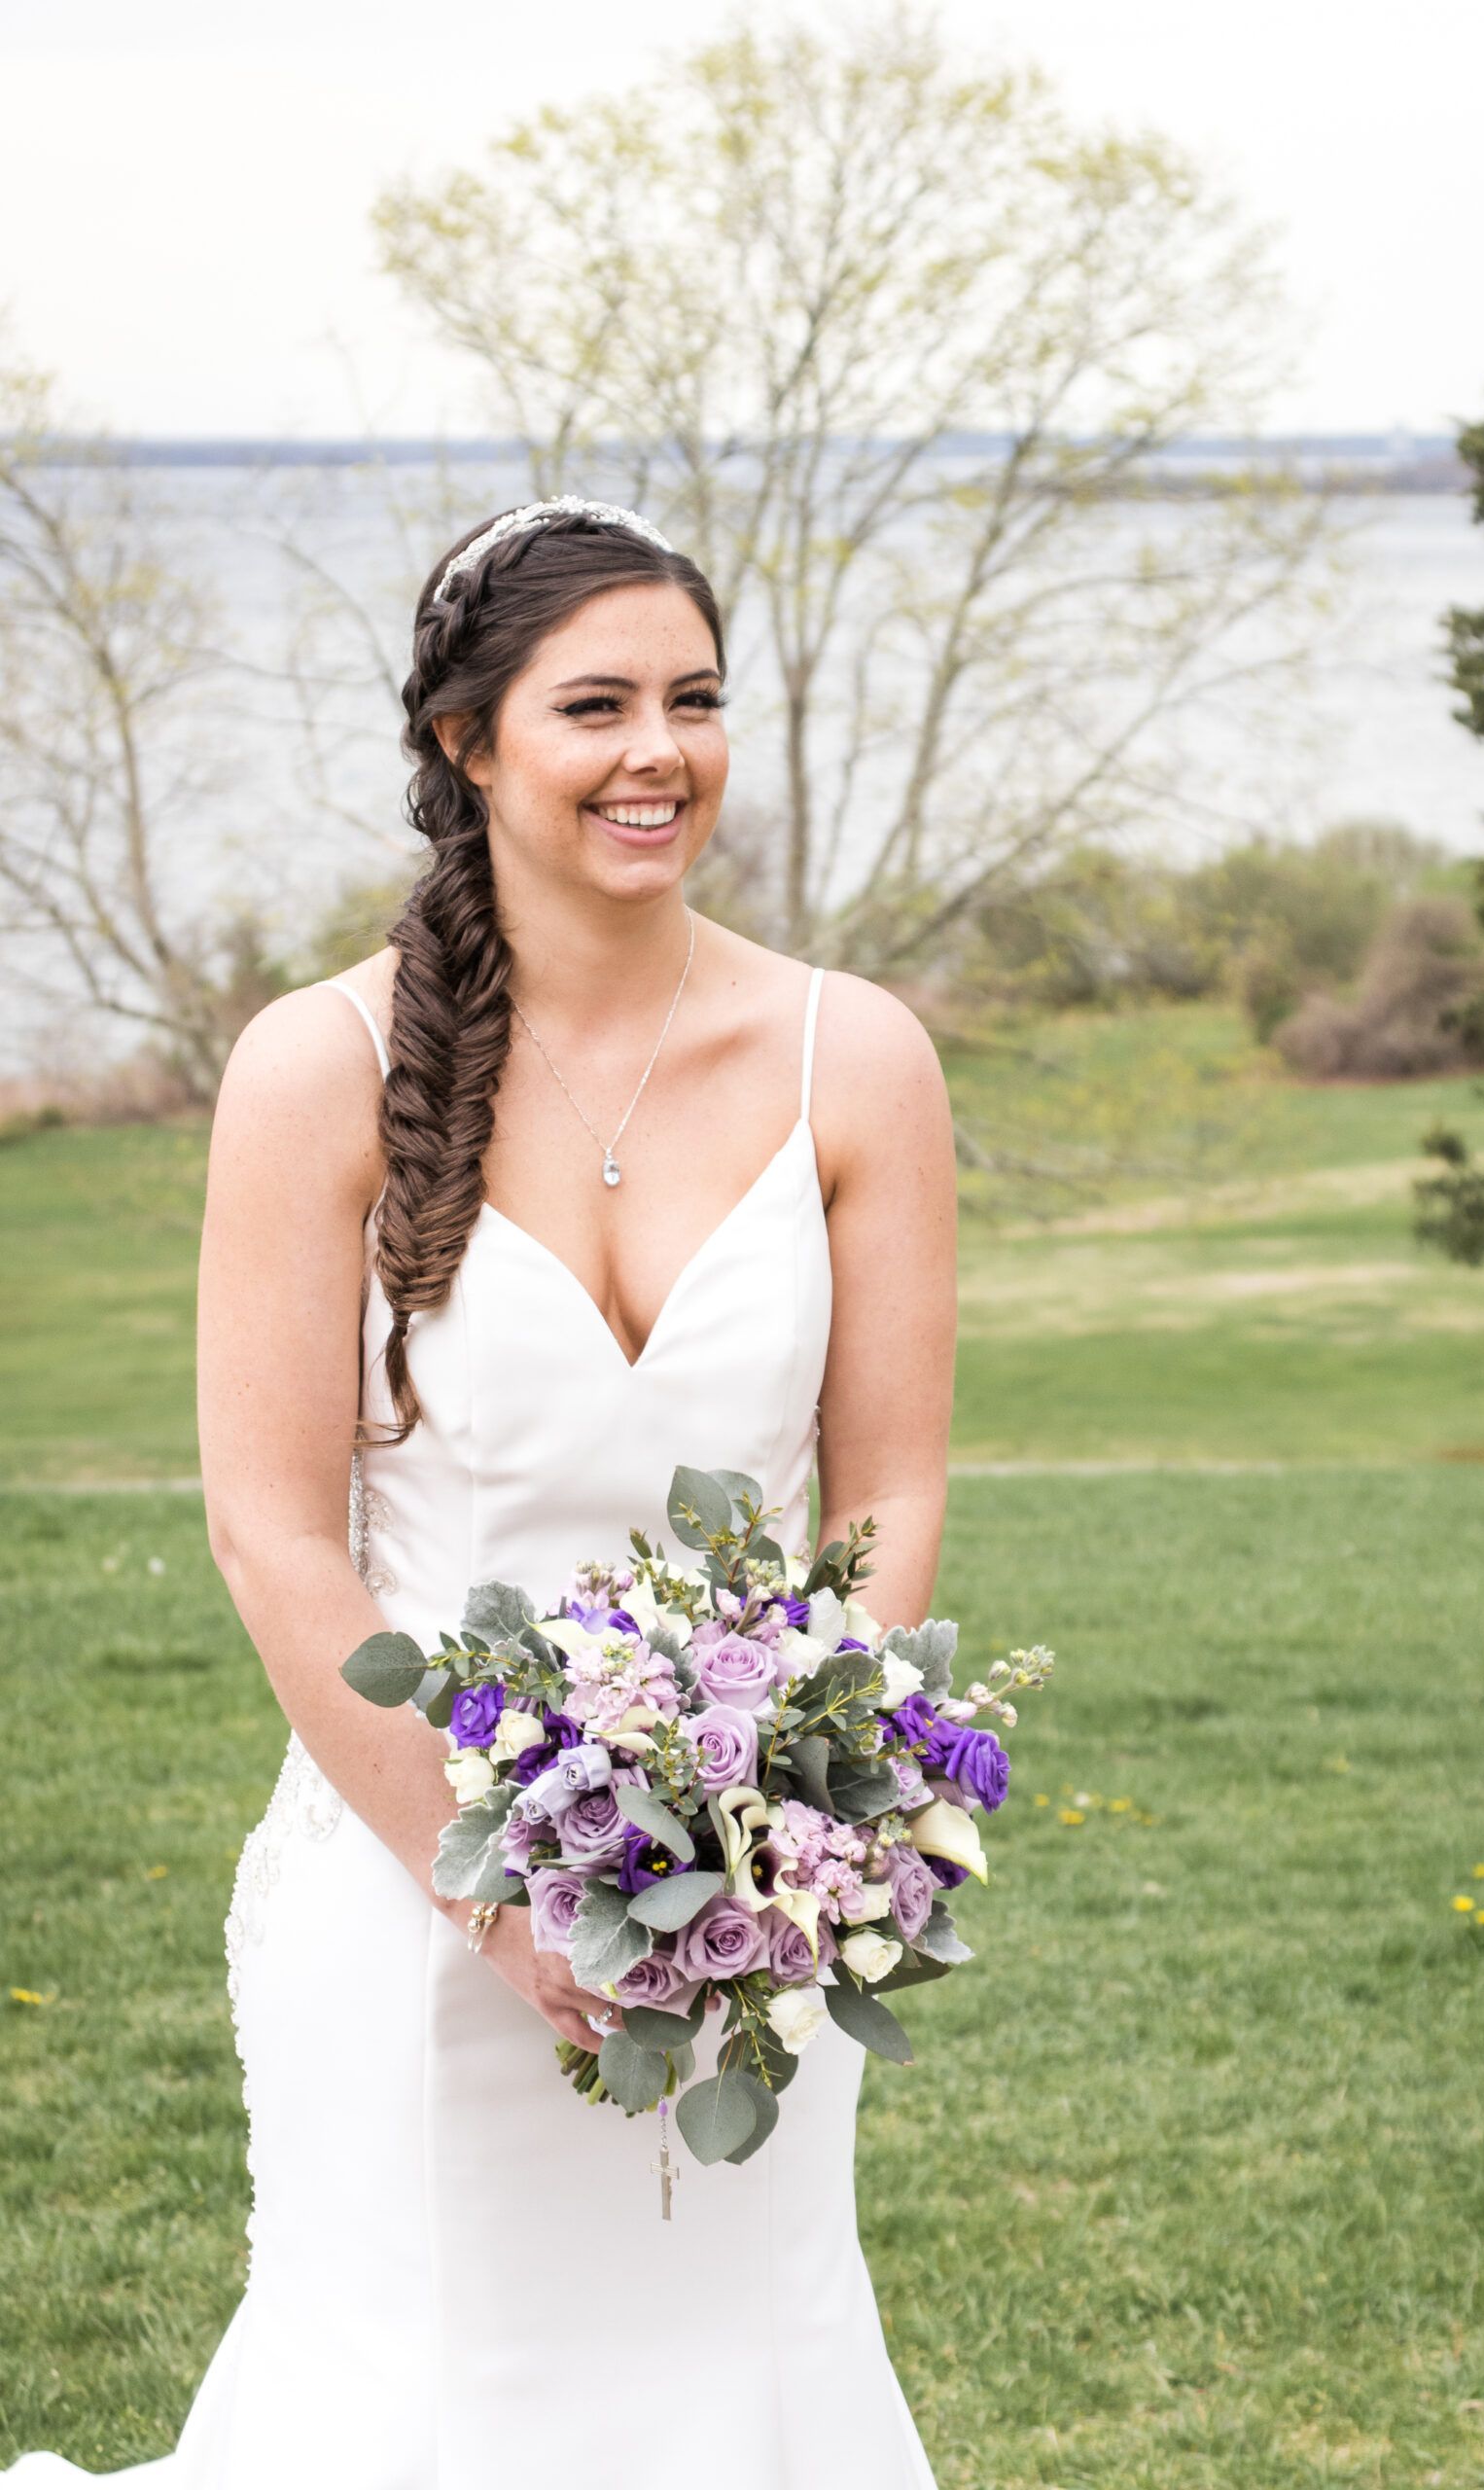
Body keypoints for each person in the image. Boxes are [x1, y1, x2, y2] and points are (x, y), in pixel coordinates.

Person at [4, 499, 957, 2487]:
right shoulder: (312, 1069)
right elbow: (271, 1528)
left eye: (693, 699)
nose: (657, 752)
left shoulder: (851, 1059)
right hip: (407, 1881)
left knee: (741, 2369)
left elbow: (884, 1495)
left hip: (737, 1926)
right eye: (592, 702)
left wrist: (799, 1828)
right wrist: (498, 1879)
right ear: (466, 741)